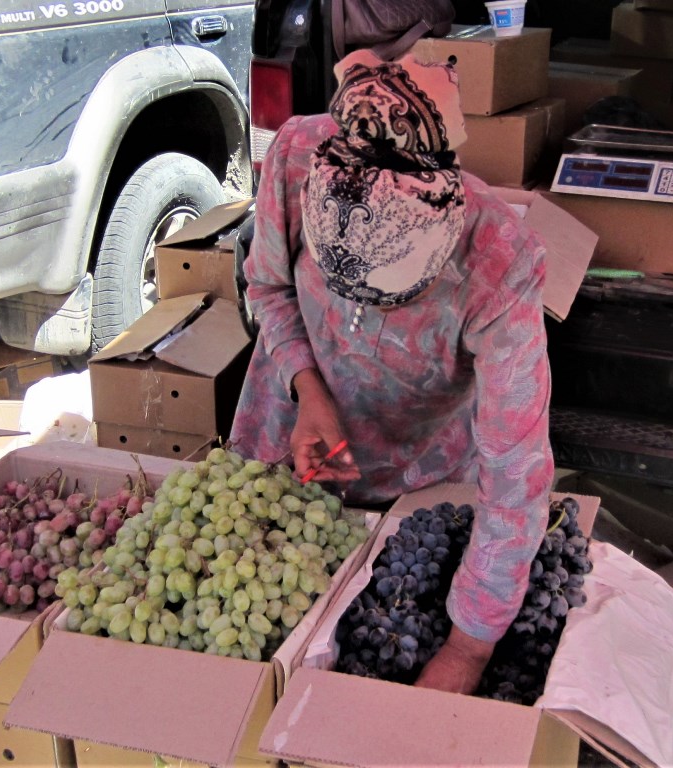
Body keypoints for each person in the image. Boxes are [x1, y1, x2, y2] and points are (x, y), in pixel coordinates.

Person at [228, 43, 555, 694]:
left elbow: (514, 480)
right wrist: (308, 387)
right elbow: (265, 288)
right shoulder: (295, 154)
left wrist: (465, 653)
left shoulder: (501, 265)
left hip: (415, 479)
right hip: (288, 436)